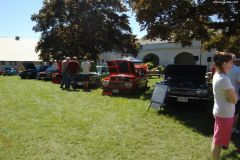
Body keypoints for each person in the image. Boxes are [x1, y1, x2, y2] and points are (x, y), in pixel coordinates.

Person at [211, 51, 238, 160]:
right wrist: (234, 95)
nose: (233, 64)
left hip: (219, 111)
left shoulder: (217, 75)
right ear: (224, 64)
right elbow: (235, 100)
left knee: (216, 139)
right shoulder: (224, 79)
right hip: (225, 115)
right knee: (218, 142)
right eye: (231, 62)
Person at [227, 54, 240, 134]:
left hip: (224, 94)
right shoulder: (238, 70)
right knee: (236, 113)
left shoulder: (223, 69)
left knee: (226, 112)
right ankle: (233, 128)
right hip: (235, 95)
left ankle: (225, 128)